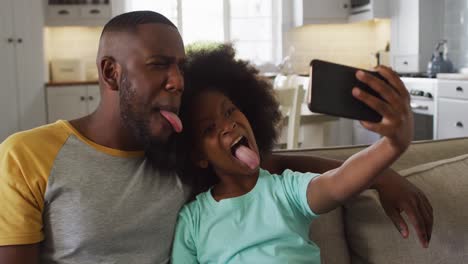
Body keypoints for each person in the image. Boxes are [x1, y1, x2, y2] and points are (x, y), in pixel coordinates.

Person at [0, 11, 432, 264]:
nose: (176, 81)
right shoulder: (27, 156)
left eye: (180, 67)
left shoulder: (180, 155)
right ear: (112, 72)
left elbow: (271, 169)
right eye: (158, 65)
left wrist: (385, 172)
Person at [171, 44, 416, 263]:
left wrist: (393, 144)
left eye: (230, 111)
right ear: (198, 156)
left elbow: (338, 183)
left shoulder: (285, 189)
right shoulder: (192, 220)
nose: (228, 125)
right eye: (209, 128)